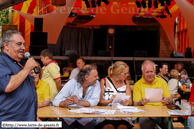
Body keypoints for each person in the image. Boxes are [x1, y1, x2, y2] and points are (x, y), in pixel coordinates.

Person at [0, 30, 38, 126]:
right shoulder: (2, 62)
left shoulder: (22, 64)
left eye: (24, 45)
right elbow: (7, 86)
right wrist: (26, 70)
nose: (23, 48)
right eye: (18, 44)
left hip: (28, 120)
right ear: (6, 45)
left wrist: (35, 118)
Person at [52, 64, 101, 129]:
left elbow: (95, 101)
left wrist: (79, 102)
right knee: (63, 126)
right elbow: (56, 100)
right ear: (86, 77)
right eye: (95, 76)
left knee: (93, 125)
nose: (97, 78)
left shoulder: (96, 83)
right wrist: (64, 103)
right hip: (69, 117)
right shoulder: (72, 82)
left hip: (86, 118)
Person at [133, 60, 174, 129]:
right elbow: (135, 104)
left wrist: (167, 100)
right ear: (143, 72)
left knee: (168, 122)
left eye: (151, 71)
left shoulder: (162, 82)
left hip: (162, 113)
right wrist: (141, 102)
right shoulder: (137, 85)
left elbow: (170, 99)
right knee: (144, 122)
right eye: (147, 72)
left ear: (155, 70)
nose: (150, 74)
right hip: (146, 115)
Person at [96, 61, 133, 129]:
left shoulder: (126, 82)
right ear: (117, 74)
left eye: (128, 72)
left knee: (122, 127)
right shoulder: (104, 81)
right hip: (106, 115)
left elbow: (130, 101)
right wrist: (109, 101)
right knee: (108, 127)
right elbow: (99, 102)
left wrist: (127, 103)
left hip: (122, 116)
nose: (127, 75)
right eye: (125, 73)